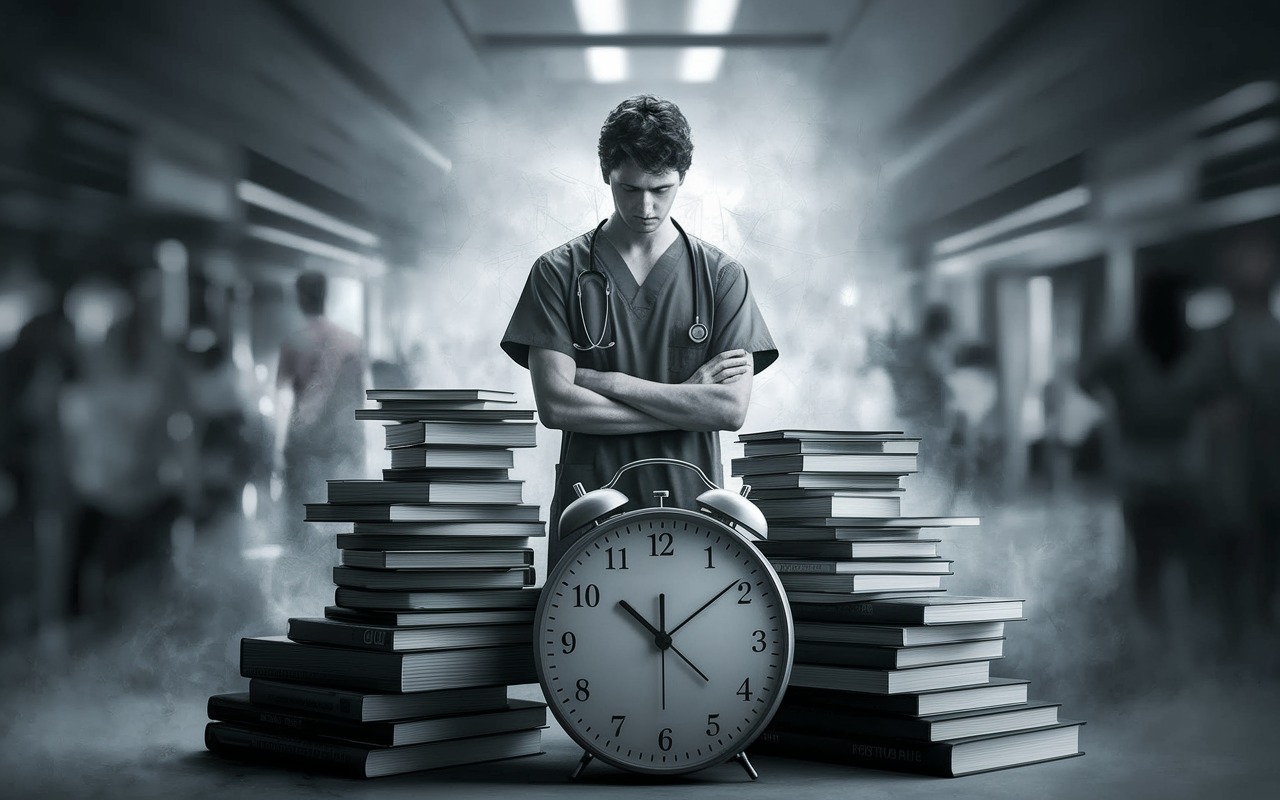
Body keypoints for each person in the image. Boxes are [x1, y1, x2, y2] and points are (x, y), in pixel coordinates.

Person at [501, 95, 778, 568]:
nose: (646, 207)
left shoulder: (723, 277)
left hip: (697, 513)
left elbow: (730, 410)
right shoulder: (557, 272)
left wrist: (610, 383)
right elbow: (556, 404)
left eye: (662, 189)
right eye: (629, 189)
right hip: (589, 510)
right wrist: (688, 402)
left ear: (683, 179)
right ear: (607, 174)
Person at [1079, 271, 1200, 630]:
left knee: (1156, 557)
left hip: (1163, 466)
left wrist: (1115, 404)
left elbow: (1086, 377)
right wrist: (1114, 403)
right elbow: (1086, 377)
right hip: (1166, 467)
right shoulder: (1135, 350)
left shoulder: (1142, 349)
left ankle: (1165, 630)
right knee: (1159, 556)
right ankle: (1163, 631)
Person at [1178, 226, 1280, 635]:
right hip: (1229, 472)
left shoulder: (1269, 333)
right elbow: (1188, 393)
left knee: (1262, 564)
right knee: (1231, 561)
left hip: (1265, 471)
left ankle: (1252, 634)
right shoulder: (1216, 338)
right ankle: (1234, 638)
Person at [274, 270, 366, 543]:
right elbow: (357, 401)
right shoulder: (353, 342)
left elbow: (282, 400)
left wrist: (279, 451)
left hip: (305, 449)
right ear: (325, 296)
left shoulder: (293, 343)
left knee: (301, 532)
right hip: (340, 449)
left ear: (300, 298)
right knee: (341, 533)